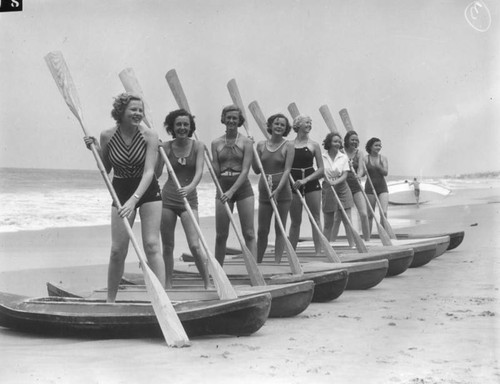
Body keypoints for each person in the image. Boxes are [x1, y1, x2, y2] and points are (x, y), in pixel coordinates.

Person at [84, 93, 165, 302]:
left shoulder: (150, 135)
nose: (138, 114)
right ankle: (110, 301)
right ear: (121, 112)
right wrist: (95, 148)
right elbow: (106, 167)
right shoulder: (107, 135)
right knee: (117, 250)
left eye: (140, 110)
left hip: (147, 189)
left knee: (152, 245)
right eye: (133, 110)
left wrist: (134, 199)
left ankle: (162, 301)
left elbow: (150, 172)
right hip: (120, 187)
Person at [156, 109, 210, 288]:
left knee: (195, 245)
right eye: (178, 124)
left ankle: (207, 282)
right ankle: (168, 283)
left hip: (189, 199)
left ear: (190, 127)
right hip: (168, 199)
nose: (182, 127)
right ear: (172, 127)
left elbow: (199, 171)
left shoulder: (198, 146)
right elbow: (156, 174)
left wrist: (189, 188)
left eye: (185, 124)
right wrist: (159, 153)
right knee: (168, 245)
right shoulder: (165, 147)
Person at [211, 105, 257, 265]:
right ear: (223, 119)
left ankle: (253, 270)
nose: (231, 121)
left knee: (249, 233)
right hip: (223, 186)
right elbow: (216, 170)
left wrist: (231, 191)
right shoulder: (215, 142)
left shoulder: (246, 142)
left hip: (242, 187)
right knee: (221, 235)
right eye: (228, 117)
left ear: (239, 121)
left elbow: (245, 170)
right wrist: (210, 163)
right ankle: (218, 271)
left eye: (234, 118)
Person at [252, 113, 294, 263]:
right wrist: (253, 152)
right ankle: (258, 262)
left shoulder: (288, 145)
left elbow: (287, 170)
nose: (279, 127)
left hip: (282, 192)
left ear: (286, 129)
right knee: (262, 230)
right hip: (265, 190)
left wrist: (278, 190)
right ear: (270, 125)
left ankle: (277, 262)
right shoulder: (261, 145)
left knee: (280, 229)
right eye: (276, 123)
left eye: (282, 125)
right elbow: (256, 170)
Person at [288, 115, 324, 254]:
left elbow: (321, 170)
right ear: (298, 125)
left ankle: (319, 252)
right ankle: (292, 253)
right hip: (293, 182)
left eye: (311, 122)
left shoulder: (314, 145)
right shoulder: (289, 145)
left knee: (315, 218)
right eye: (306, 122)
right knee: (295, 221)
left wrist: (306, 180)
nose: (309, 124)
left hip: (311, 182)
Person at [321, 132, 355, 246]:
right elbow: (320, 172)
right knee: (328, 222)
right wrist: (328, 181)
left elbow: (345, 175)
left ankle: (352, 245)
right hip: (328, 188)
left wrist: (335, 181)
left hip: (342, 188)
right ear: (329, 143)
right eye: (335, 141)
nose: (338, 144)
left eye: (339, 142)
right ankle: (325, 247)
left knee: (347, 220)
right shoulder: (322, 157)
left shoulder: (343, 157)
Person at [343, 130, 371, 241]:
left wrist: (358, 176)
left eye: (356, 140)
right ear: (347, 140)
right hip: (343, 186)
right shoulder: (341, 152)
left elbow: (360, 168)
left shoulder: (359, 153)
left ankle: (367, 240)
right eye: (352, 140)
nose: (354, 142)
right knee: (344, 217)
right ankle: (350, 241)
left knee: (363, 214)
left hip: (356, 185)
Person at [362, 137, 389, 232]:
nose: (378, 147)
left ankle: (384, 234)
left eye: (380, 145)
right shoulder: (365, 159)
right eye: (376, 145)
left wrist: (378, 166)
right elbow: (361, 173)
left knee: (384, 213)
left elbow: (385, 172)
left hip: (382, 187)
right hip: (370, 188)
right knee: (370, 214)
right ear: (370, 146)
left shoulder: (383, 158)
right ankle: (368, 237)